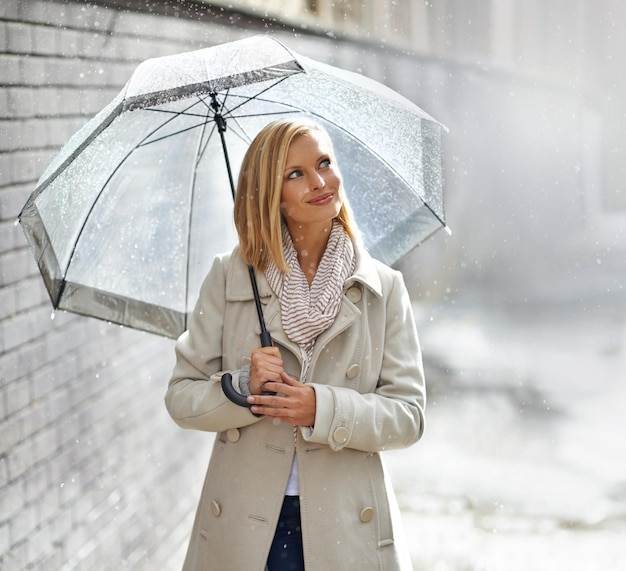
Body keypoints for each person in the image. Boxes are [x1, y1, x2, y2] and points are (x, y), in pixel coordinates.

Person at [165, 118, 426, 571]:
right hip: (245, 529)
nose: (321, 182)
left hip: (346, 524)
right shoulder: (230, 277)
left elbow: (408, 415)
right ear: (272, 195)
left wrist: (321, 409)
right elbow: (181, 398)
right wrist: (242, 387)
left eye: (324, 163)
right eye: (296, 174)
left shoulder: (382, 286)